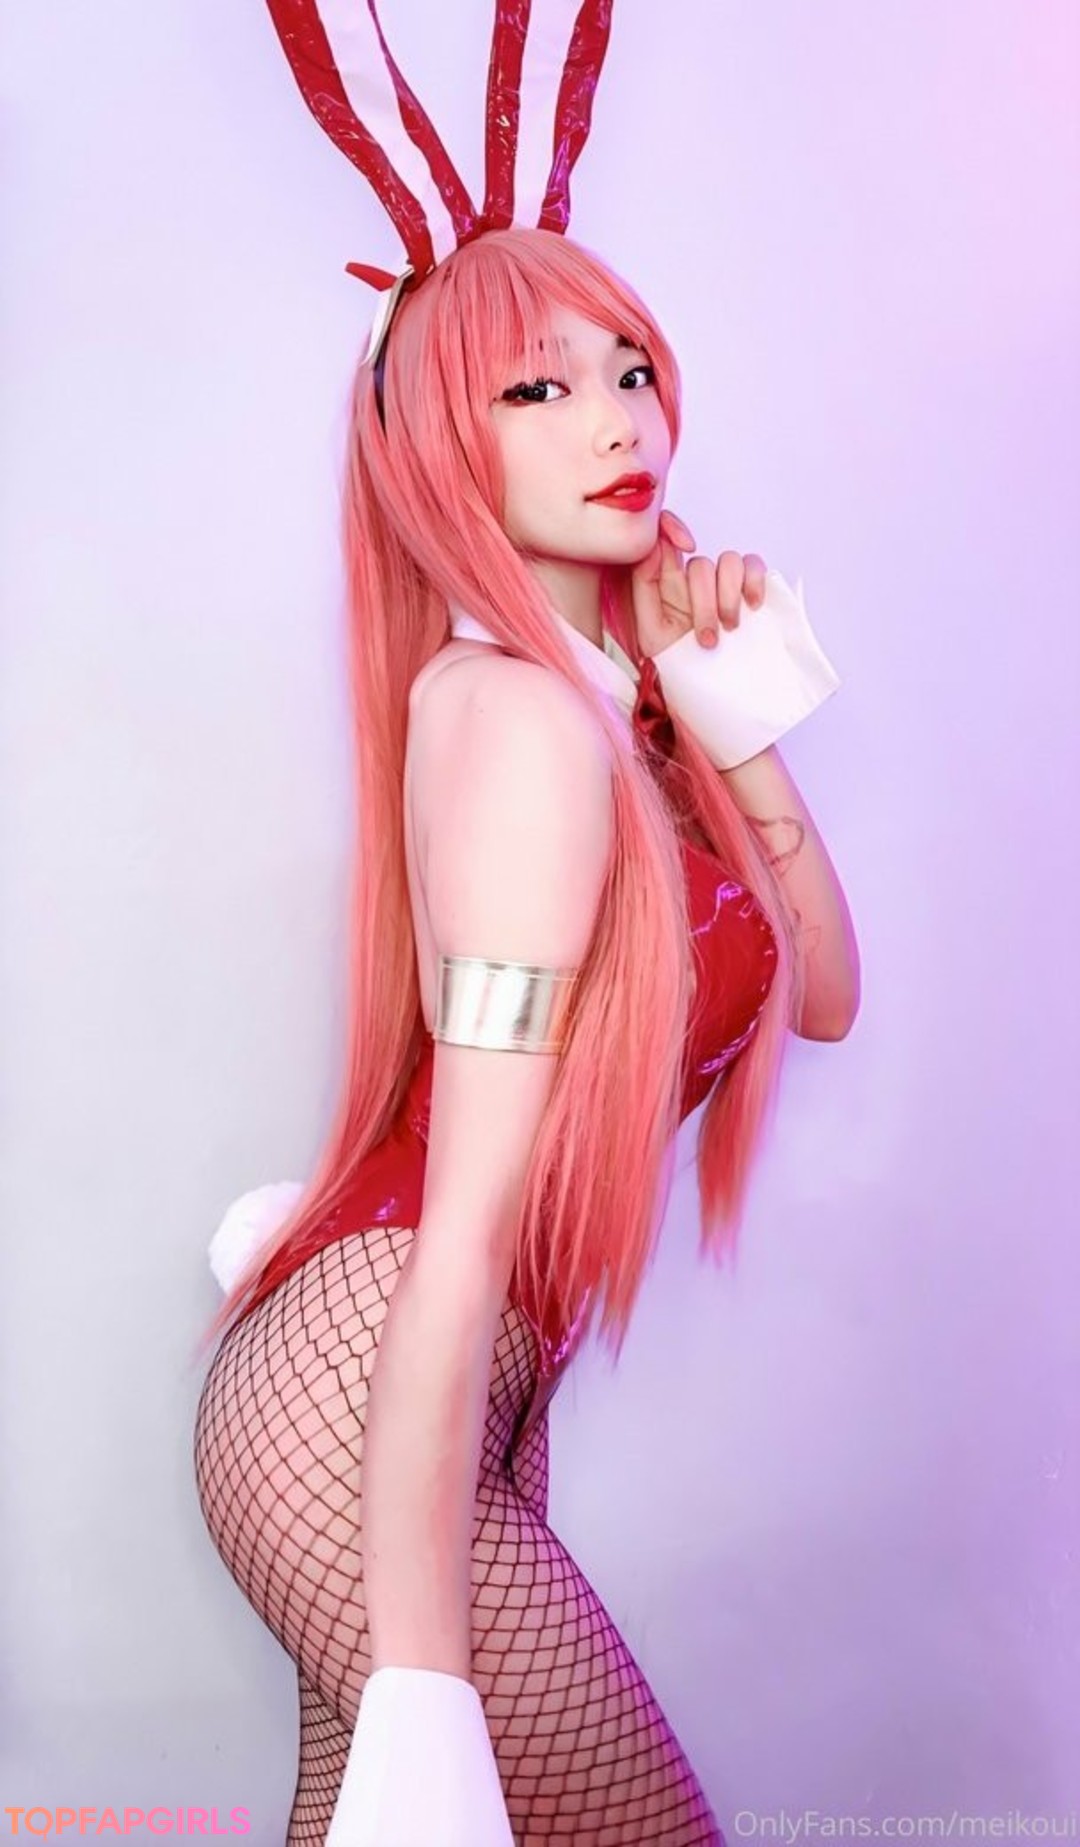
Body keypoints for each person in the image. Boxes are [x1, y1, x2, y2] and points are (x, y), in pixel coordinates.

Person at [191, 9, 860, 1843]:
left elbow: (820, 1000)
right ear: (437, 451)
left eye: (628, 368)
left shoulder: (610, 717)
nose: (619, 419)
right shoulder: (509, 721)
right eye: (536, 391)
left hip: (430, 1404)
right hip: (358, 1405)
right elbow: (471, 1231)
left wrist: (732, 722)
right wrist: (427, 1697)